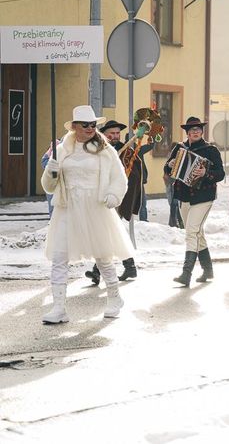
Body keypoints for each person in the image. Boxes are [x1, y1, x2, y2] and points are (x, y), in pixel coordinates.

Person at [41, 105, 134, 323]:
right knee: (59, 257)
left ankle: (114, 298)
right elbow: (48, 186)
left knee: (102, 256)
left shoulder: (104, 149)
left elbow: (119, 177)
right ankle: (58, 308)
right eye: (86, 125)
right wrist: (51, 171)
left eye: (93, 125)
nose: (91, 128)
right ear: (74, 127)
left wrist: (114, 194)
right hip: (67, 207)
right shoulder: (62, 149)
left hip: (95, 206)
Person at [166, 116, 225, 287]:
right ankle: (208, 270)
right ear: (187, 132)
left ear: (202, 131)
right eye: (192, 130)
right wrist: (170, 164)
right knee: (197, 233)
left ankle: (186, 273)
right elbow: (168, 168)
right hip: (184, 196)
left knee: (192, 231)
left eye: (198, 129)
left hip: (203, 197)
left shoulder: (211, 150)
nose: (195, 132)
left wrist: (205, 174)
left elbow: (220, 174)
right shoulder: (179, 148)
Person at [84, 119, 141, 284]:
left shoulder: (127, 152)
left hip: (117, 198)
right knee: (110, 234)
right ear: (105, 135)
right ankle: (129, 267)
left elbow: (135, 175)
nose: (115, 136)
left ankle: (98, 271)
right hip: (100, 196)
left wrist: (123, 174)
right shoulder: (99, 150)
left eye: (117, 133)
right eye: (112, 134)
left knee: (107, 234)